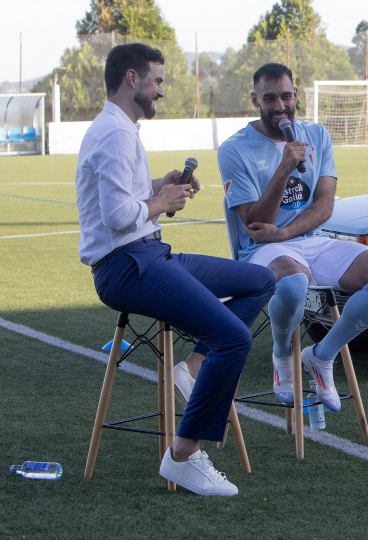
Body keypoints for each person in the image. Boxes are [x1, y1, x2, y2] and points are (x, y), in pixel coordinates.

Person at [76, 43, 276, 496]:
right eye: (158, 80)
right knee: (234, 337)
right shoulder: (114, 132)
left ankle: (190, 369)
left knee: (261, 279)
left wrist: (158, 186)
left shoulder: (120, 128)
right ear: (132, 78)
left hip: (147, 255)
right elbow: (115, 216)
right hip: (125, 266)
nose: (162, 90)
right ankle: (183, 455)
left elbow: (126, 201)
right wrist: (160, 202)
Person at [212, 62, 368, 412]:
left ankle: (321, 356)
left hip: (309, 240)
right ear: (255, 99)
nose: (280, 106)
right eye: (269, 98)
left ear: (296, 95)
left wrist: (285, 231)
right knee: (293, 284)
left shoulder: (317, 135)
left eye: (286, 96)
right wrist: (284, 168)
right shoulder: (233, 149)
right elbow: (255, 223)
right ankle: (282, 354)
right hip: (261, 250)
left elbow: (325, 205)